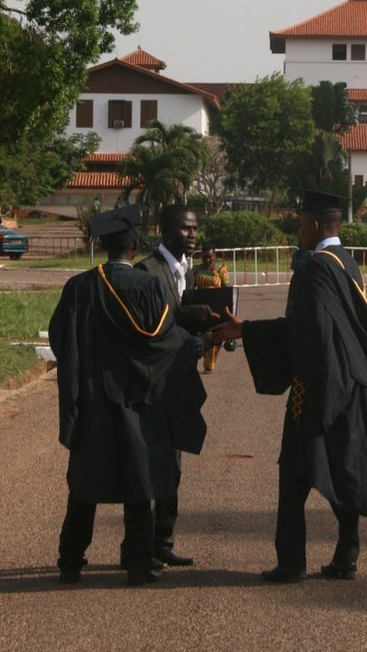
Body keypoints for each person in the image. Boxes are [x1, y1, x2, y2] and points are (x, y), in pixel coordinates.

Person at [214, 189, 367, 583]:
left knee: (294, 474)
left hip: (317, 387)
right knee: (342, 469)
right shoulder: (347, 262)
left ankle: (291, 562)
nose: (298, 233)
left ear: (315, 226)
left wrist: (246, 329)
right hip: (351, 382)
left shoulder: (318, 268)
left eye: (301, 226)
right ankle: (346, 556)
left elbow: (307, 331)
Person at [49, 205, 207, 587]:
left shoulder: (79, 288)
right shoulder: (146, 287)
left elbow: (60, 341)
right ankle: (138, 563)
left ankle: (71, 562)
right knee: (140, 482)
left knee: (84, 486)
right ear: (134, 245)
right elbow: (164, 340)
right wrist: (194, 345)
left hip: (94, 401)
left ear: (103, 245)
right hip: (138, 400)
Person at [136, 203, 215, 567]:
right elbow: (151, 327)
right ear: (166, 230)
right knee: (149, 465)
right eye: (186, 229)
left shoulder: (188, 272)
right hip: (153, 384)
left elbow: (178, 319)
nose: (193, 234)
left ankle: (163, 540)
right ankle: (138, 547)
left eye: (196, 228)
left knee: (174, 464)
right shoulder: (147, 272)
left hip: (180, 381)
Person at [194, 246, 230, 371]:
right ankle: (204, 352)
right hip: (201, 307)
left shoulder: (221, 269)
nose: (208, 260)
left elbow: (226, 289)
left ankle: (210, 361)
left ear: (215, 255)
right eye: (204, 257)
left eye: (210, 257)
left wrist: (228, 309)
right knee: (202, 333)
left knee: (216, 333)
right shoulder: (196, 269)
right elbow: (191, 289)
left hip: (217, 307)